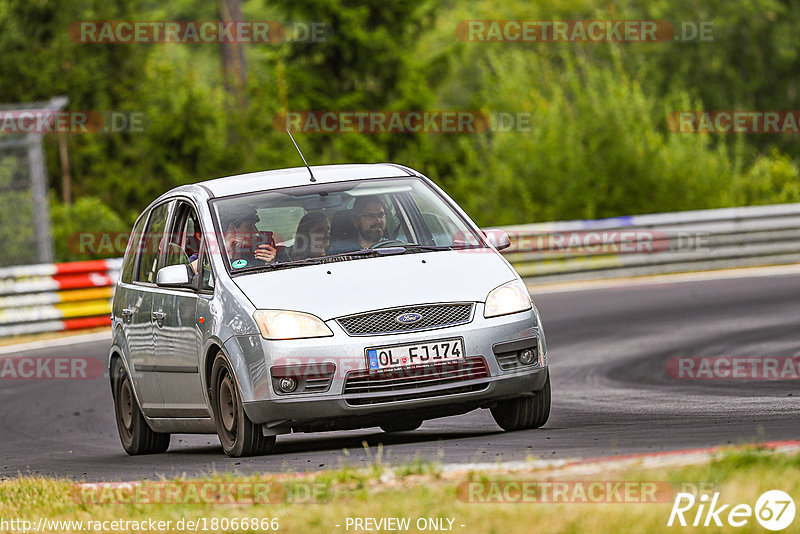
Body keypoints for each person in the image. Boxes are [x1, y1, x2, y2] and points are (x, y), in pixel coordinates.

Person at [221, 204, 288, 269]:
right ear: (232, 228)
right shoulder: (216, 258)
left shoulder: (257, 253)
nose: (256, 231)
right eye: (249, 227)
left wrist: (269, 263)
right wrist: (223, 252)